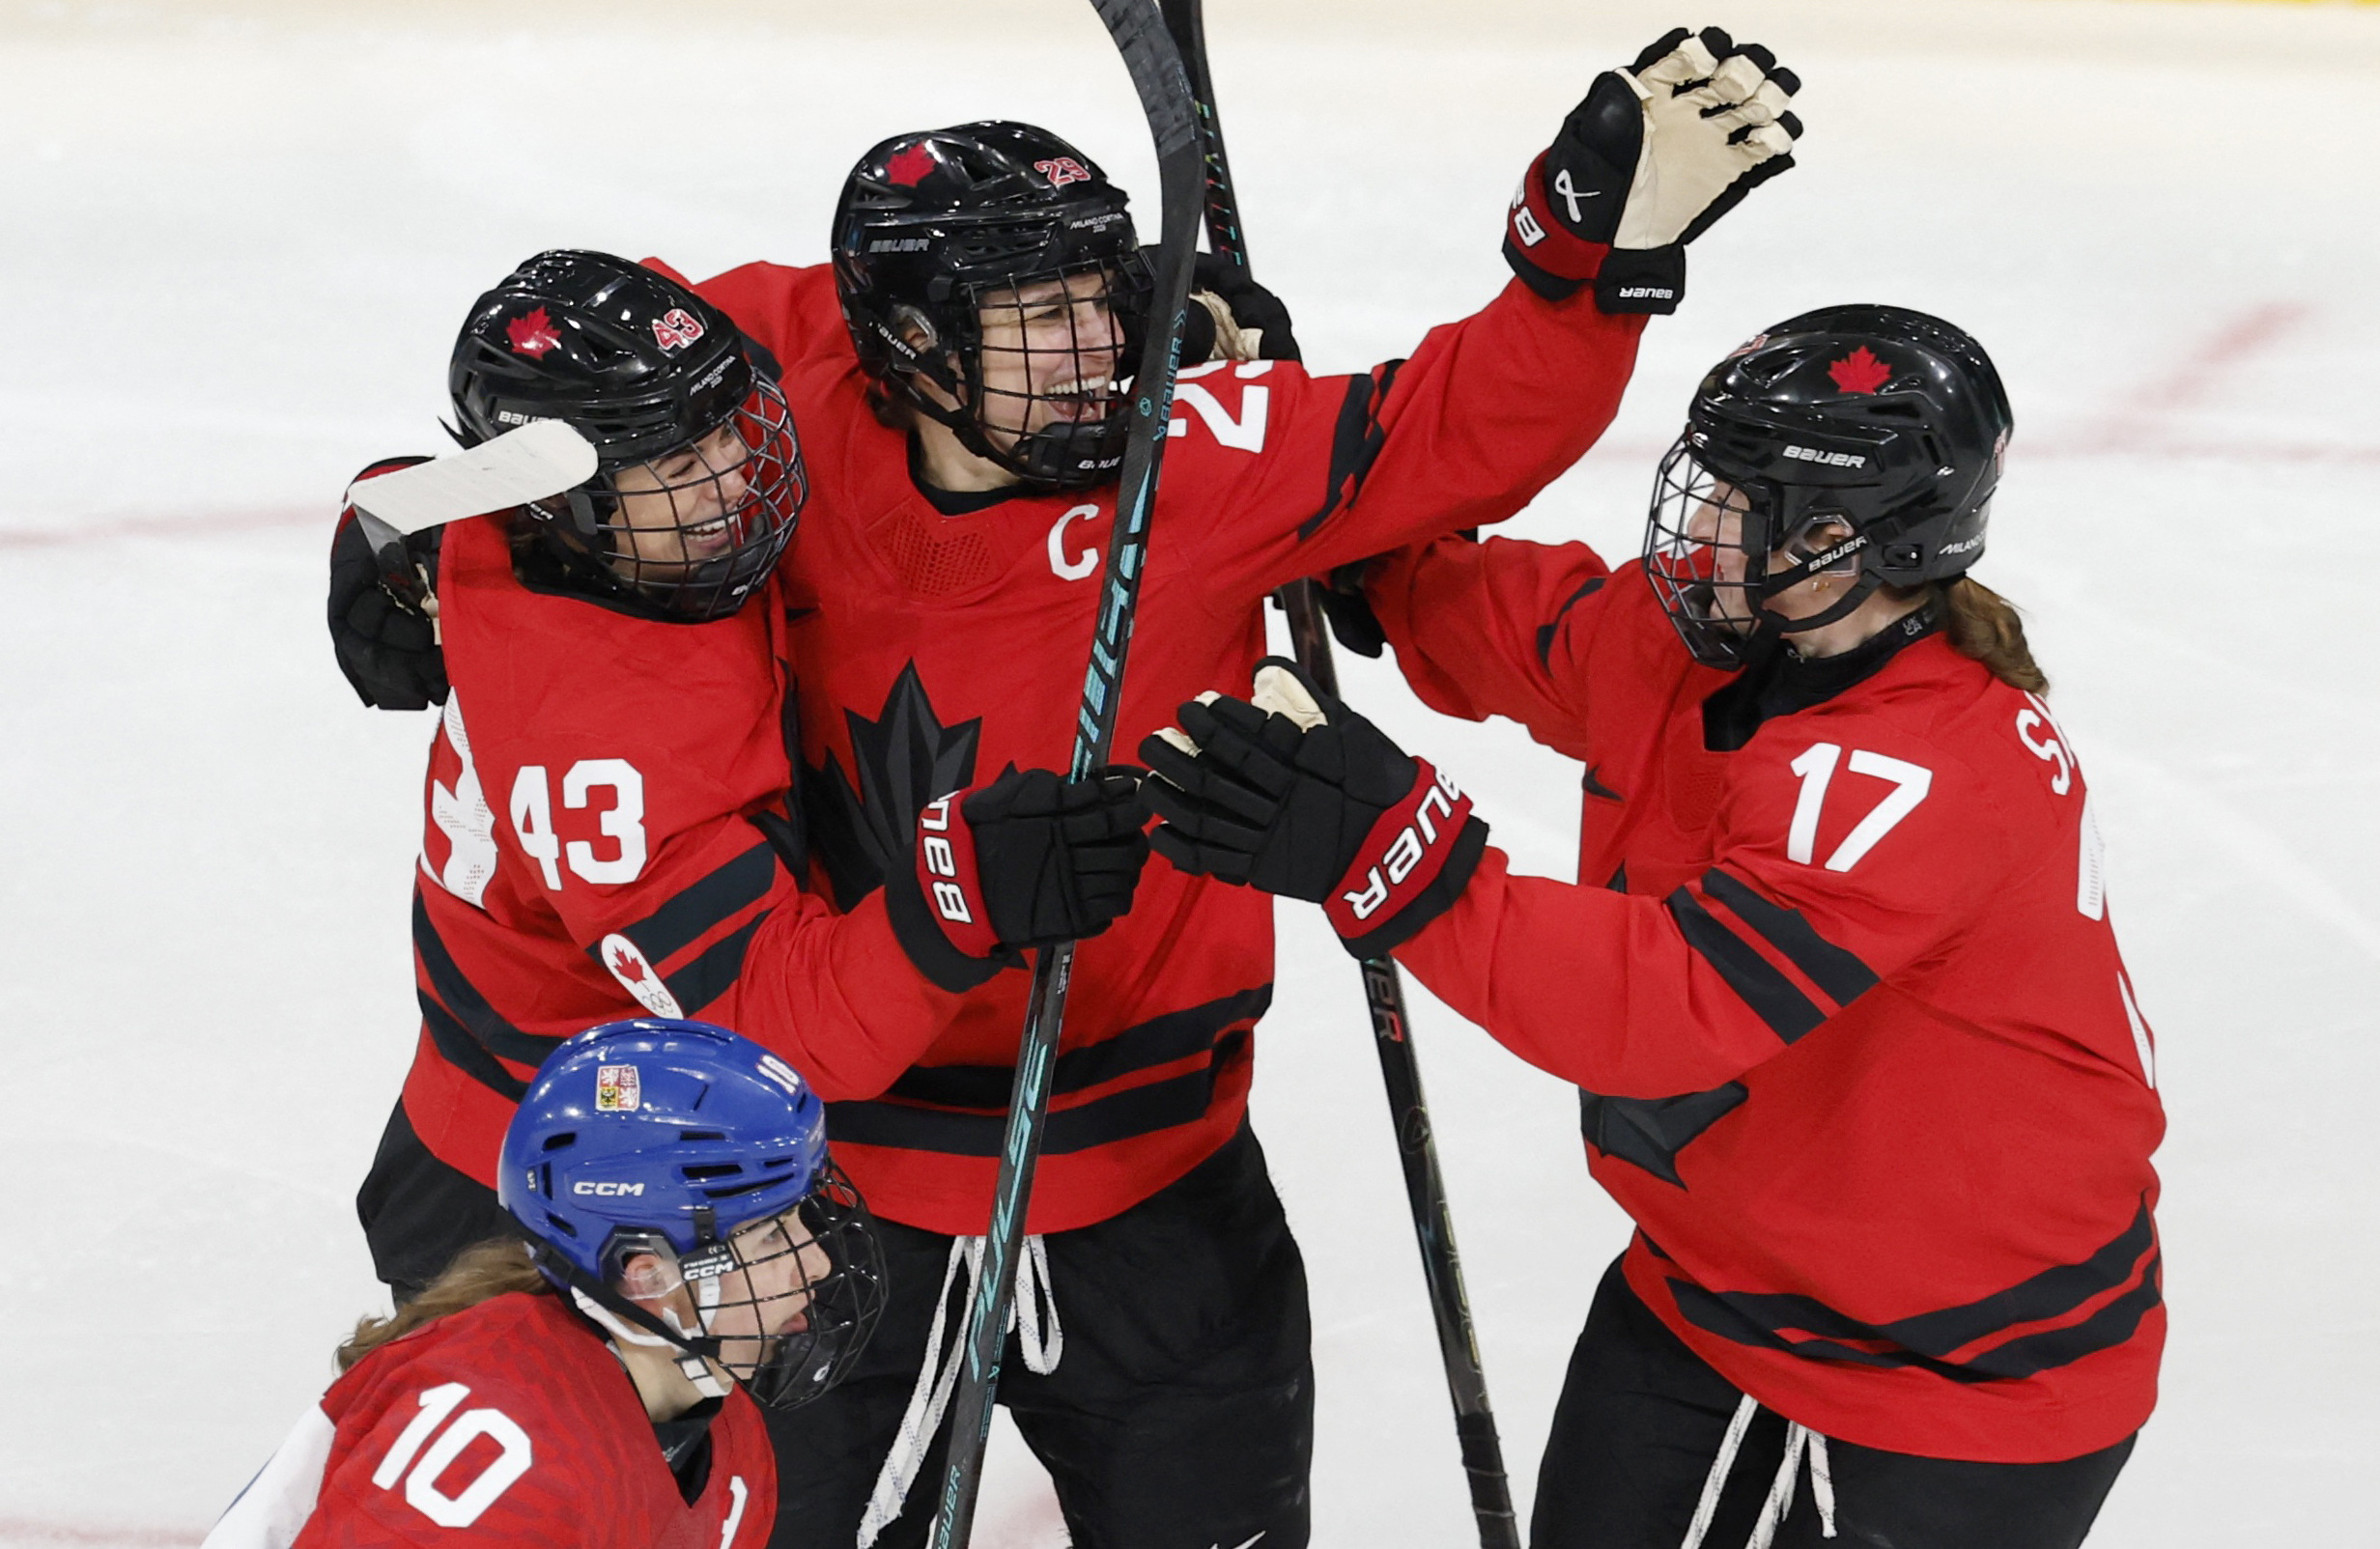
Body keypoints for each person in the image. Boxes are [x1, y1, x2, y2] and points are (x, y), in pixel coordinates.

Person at [327, 30, 1806, 1549]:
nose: (1097, 345)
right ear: (900, 343)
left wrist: (1582, 260)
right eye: (1034, 317)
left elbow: (1458, 425)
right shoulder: (740, 479)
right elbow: (583, 395)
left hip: (1154, 1171)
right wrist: (413, 508)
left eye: (1100, 297)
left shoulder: (1176, 449)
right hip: (830, 1194)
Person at [1142, 306, 2164, 1549]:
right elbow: (1522, 624)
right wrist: (1339, 505)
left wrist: (1386, 849)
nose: (1698, 519)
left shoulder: (1924, 768)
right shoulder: (1721, 646)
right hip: (1706, 1295)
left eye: (1742, 499)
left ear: (1843, 541)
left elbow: (1668, 1005)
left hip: (1963, 1374)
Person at [354, 249, 1147, 1307]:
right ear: (565, 502)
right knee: (597, 1463)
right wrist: (969, 891)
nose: (734, 475)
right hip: (545, 1187)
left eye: (728, 425)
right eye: (681, 468)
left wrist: (1071, 300)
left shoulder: (581, 487)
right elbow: (784, 1025)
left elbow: (790, 307)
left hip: (628, 1132)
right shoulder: (597, 737)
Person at [203, 1018, 886, 1549]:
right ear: (643, 1272)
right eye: (771, 1237)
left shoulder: (722, 1434)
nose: (817, 1263)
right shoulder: (504, 1455)